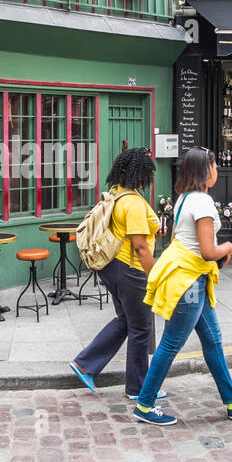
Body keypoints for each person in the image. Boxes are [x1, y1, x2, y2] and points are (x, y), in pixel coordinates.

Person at [133, 146, 232, 427]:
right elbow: (207, 251)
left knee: (213, 341)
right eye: (215, 166)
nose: (217, 171)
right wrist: (228, 246)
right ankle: (145, 403)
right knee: (171, 343)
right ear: (206, 170)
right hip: (189, 281)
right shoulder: (203, 202)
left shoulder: (184, 198)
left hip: (188, 277)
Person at [69, 147, 165, 401]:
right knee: (141, 328)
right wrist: (154, 276)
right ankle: (138, 388)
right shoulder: (133, 203)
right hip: (130, 271)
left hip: (112, 269)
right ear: (141, 173)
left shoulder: (117, 193)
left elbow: (132, 233)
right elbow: (140, 246)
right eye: (148, 172)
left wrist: (153, 231)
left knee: (127, 320)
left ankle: (85, 365)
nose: (150, 177)